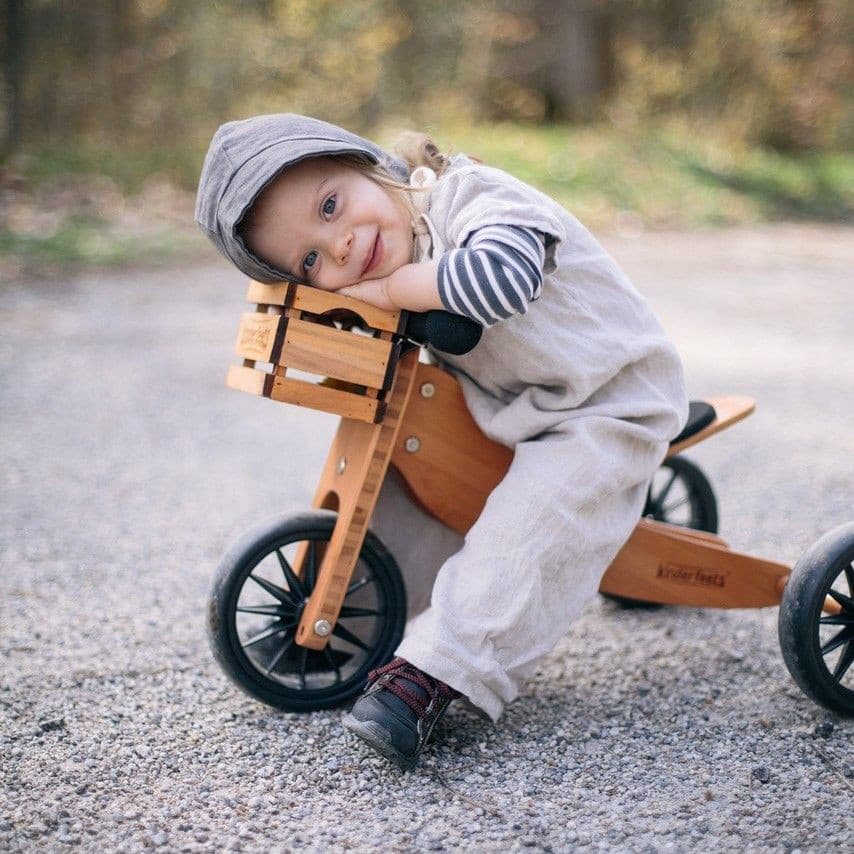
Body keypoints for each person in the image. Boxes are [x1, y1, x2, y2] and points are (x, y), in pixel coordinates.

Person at [195, 113, 688, 771]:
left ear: (373, 164)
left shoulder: (474, 197)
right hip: (516, 413)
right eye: (310, 259)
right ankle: (347, 625)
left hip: (608, 400)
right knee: (415, 476)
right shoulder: (391, 248)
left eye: (331, 205)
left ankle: (441, 668)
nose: (339, 246)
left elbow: (500, 280)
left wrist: (393, 291)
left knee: (533, 519)